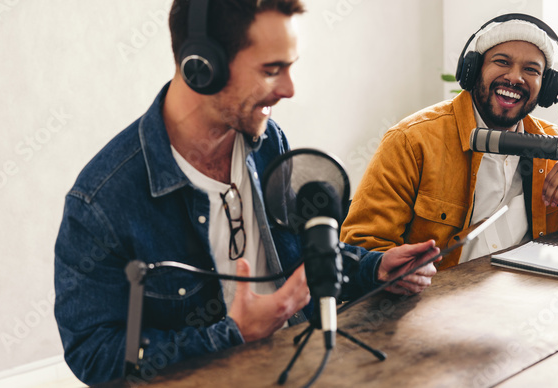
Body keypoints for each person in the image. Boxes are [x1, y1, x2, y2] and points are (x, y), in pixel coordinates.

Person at [53, 0, 440, 384]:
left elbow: (302, 252)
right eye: (272, 70)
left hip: (302, 366)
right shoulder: (101, 202)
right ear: (202, 68)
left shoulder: (270, 141)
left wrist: (375, 268)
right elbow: (95, 355)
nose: (289, 89)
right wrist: (234, 333)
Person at [341, 15, 558, 269]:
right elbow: (361, 248)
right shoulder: (411, 141)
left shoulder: (552, 146)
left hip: (527, 300)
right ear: (473, 70)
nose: (515, 78)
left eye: (531, 70)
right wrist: (398, 272)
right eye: (502, 62)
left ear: (547, 87)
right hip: (438, 306)